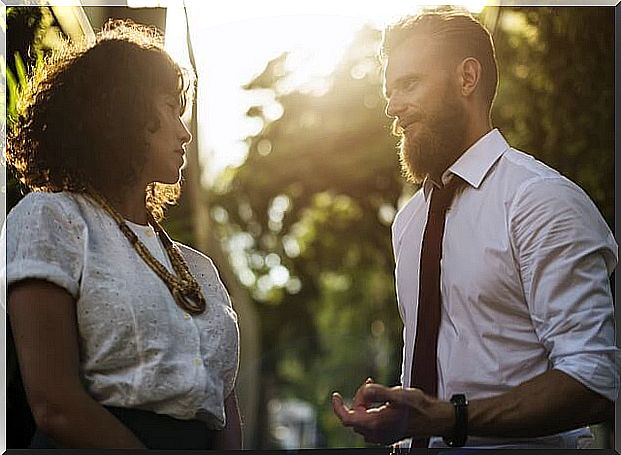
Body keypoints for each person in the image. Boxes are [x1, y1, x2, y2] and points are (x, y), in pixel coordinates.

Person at [332, 10, 618, 449]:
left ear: (467, 78)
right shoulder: (408, 224)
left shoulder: (540, 200)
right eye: (389, 92)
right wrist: (404, 427)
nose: (392, 106)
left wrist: (450, 419)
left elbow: (594, 380)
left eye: (409, 84)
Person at [2, 19, 241, 449]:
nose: (184, 133)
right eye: (170, 108)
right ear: (121, 110)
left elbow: (222, 407)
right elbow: (54, 403)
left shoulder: (201, 269)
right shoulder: (52, 219)